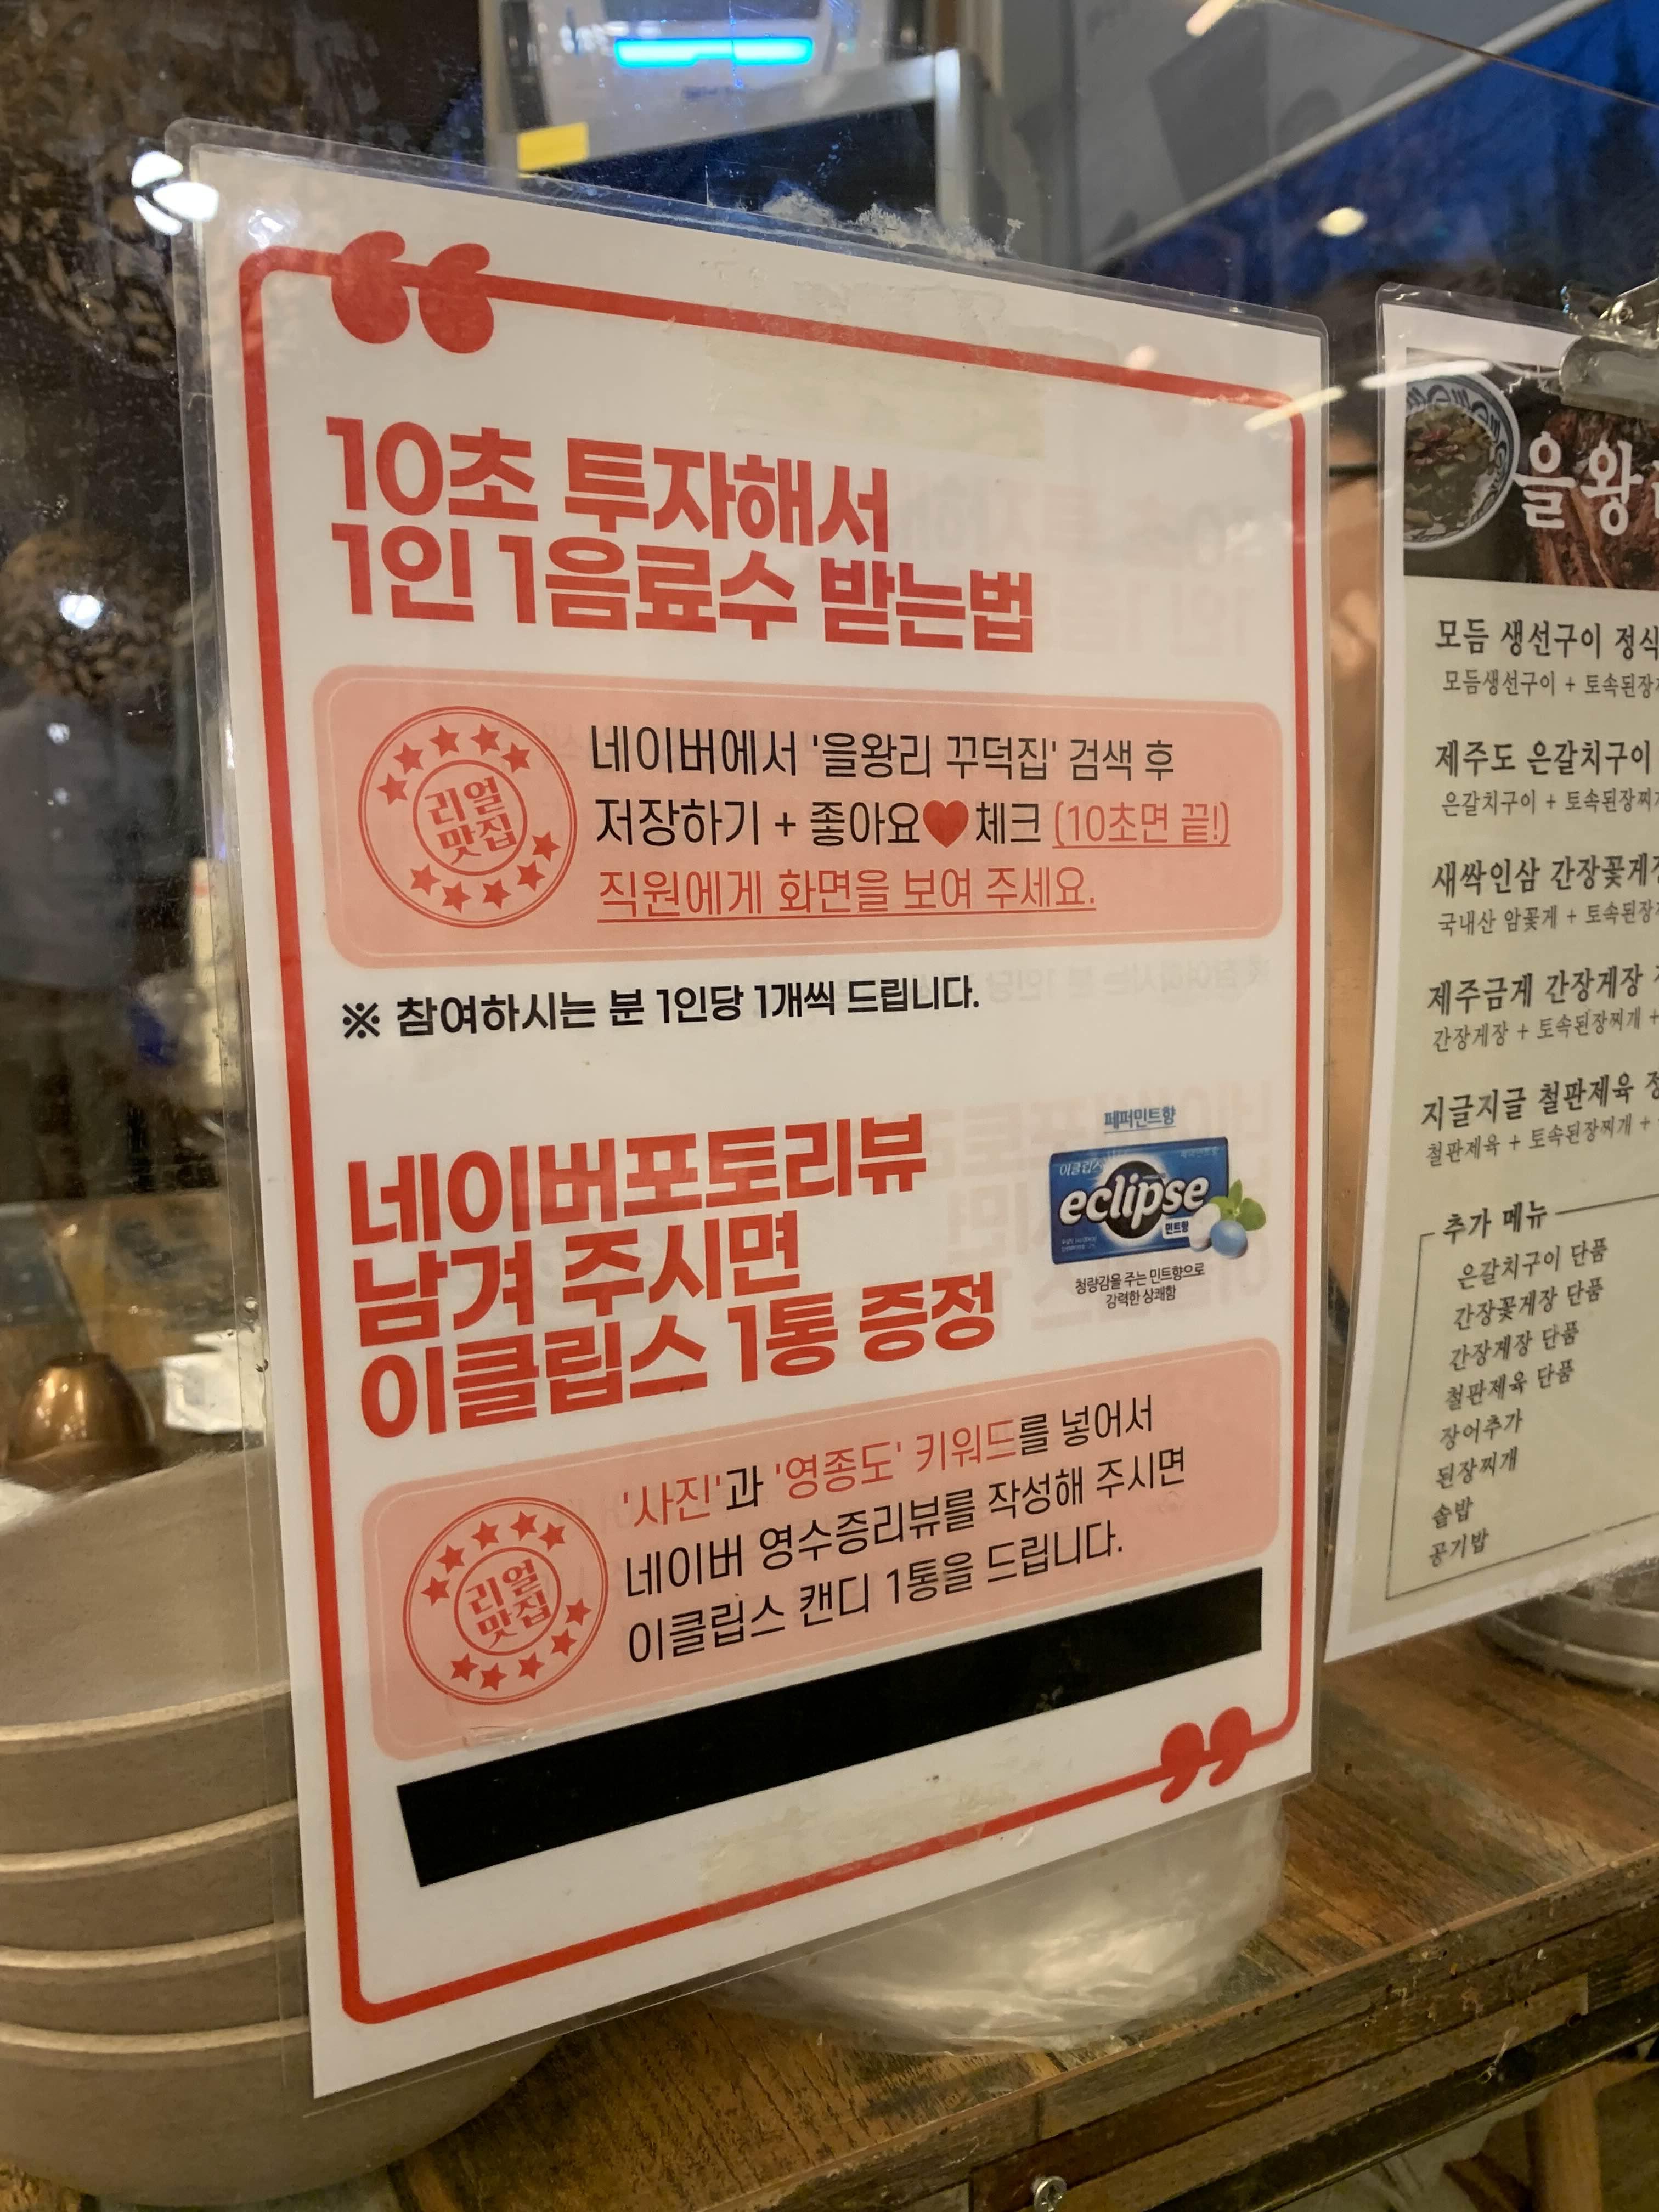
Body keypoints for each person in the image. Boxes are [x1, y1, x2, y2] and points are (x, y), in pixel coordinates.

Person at [0, 528, 178, 1198]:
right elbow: (153, 858)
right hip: (69, 985)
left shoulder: (107, 752)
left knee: (43, 1149)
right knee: (93, 1149)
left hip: (62, 986)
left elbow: (151, 861)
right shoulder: (112, 755)